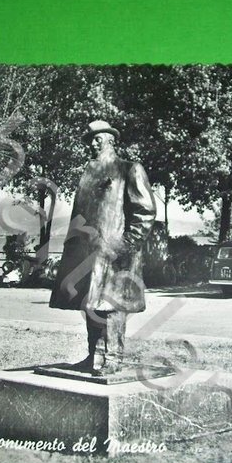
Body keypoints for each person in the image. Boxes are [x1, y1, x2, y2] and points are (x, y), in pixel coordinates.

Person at [49, 120, 157, 376]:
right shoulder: (89, 174)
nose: (92, 143)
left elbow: (145, 211)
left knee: (111, 305)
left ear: (111, 139)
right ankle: (94, 356)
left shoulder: (129, 169)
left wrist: (126, 245)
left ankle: (112, 357)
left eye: (98, 138)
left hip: (116, 252)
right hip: (87, 252)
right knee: (91, 303)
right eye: (90, 139)